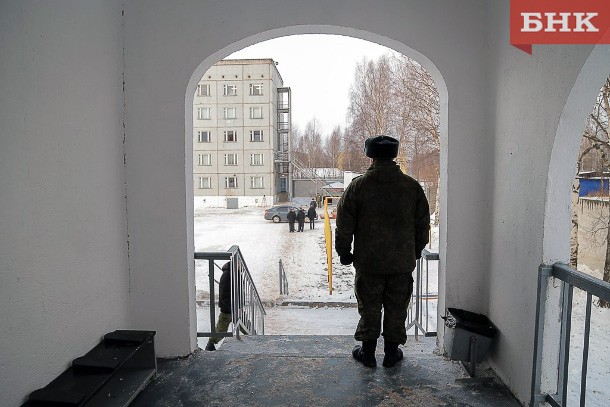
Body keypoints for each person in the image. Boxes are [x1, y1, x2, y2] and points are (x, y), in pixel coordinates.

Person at [335, 135, 430, 368]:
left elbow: (344, 224)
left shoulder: (358, 187)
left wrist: (344, 252)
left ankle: (367, 353)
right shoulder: (411, 187)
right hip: (401, 263)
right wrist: (415, 251)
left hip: (369, 263)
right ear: (394, 155)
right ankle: (391, 353)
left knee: (369, 307)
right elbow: (422, 224)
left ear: (370, 155)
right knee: (397, 307)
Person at [205, 261, 232, 351]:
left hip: (233, 308)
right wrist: (230, 308)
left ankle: (210, 345)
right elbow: (224, 295)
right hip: (228, 309)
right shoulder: (227, 275)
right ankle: (210, 345)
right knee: (221, 330)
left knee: (221, 330)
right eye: (239, 263)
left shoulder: (233, 274)